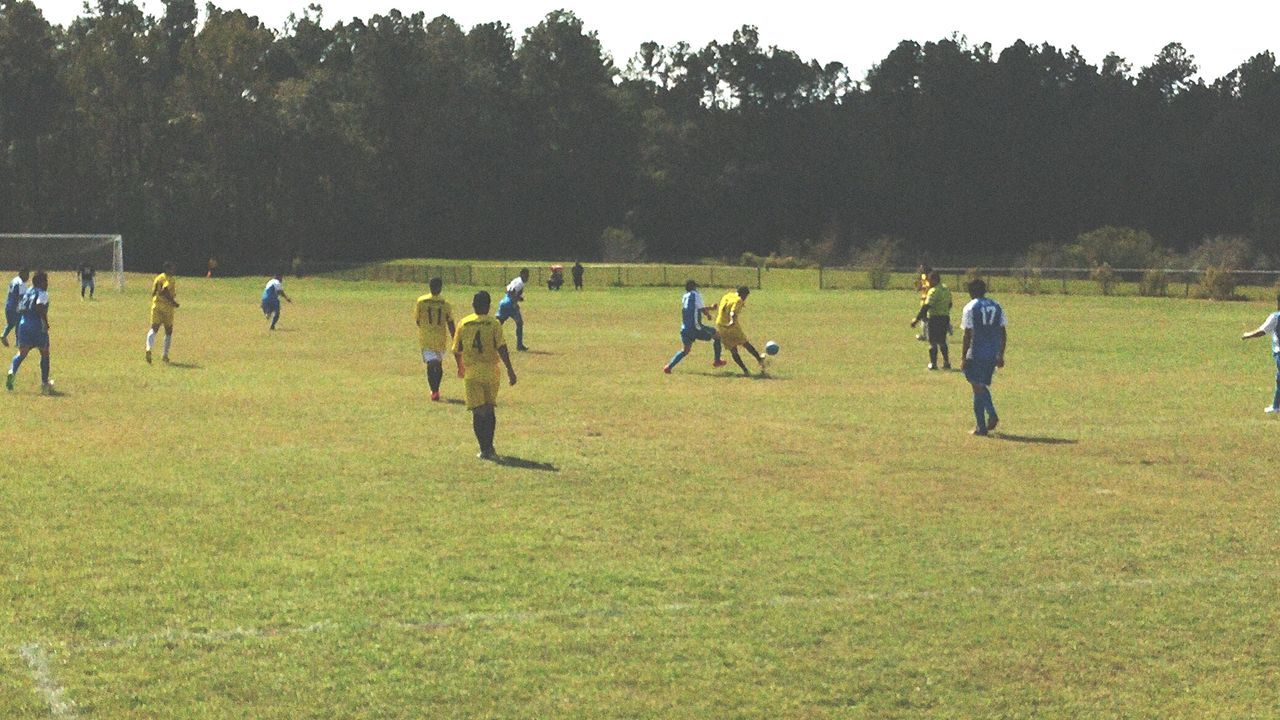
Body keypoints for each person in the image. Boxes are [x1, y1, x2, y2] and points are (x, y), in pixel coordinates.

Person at [452, 290, 517, 459]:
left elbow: (456, 349)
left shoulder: (464, 323)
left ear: (473, 305)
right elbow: (501, 347)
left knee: (477, 412)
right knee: (489, 410)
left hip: (472, 373)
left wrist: (460, 367)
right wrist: (510, 369)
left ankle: (483, 449)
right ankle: (490, 447)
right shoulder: (494, 324)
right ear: (488, 307)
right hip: (491, 372)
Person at [960, 278, 1007, 436]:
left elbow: (968, 334)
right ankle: (984, 423)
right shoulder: (997, 305)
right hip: (992, 352)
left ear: (971, 292)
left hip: (977, 352)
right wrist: (1000, 353)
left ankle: (988, 417)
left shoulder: (970, 307)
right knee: (979, 387)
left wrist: (963, 357)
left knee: (976, 385)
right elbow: (1002, 332)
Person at [6, 270, 52, 393]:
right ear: (40, 282)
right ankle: (44, 382)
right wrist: (45, 322)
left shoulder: (28, 292)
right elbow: (39, 306)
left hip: (23, 324)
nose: (47, 283)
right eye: (45, 281)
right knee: (45, 352)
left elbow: (20, 308)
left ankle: (11, 372)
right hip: (37, 325)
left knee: (21, 353)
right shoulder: (42, 293)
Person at [664, 279, 724, 373]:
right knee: (717, 335)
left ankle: (668, 367)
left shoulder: (685, 296)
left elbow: (694, 309)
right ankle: (717, 361)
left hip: (685, 328)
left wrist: (708, 313)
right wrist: (710, 310)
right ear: (694, 287)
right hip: (695, 328)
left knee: (685, 350)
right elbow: (701, 308)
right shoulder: (696, 295)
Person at [414, 277, 457, 402]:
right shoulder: (445, 303)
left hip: (427, 338)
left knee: (436, 364)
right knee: (432, 363)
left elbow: (417, 320)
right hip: (439, 338)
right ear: (440, 287)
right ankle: (434, 390)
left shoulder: (421, 301)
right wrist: (455, 337)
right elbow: (450, 322)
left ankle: (435, 389)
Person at [715, 286, 766, 377]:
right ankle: (760, 360)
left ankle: (745, 370)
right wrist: (732, 321)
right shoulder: (738, 300)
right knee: (745, 343)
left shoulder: (727, 295)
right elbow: (733, 312)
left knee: (733, 350)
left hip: (720, 325)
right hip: (731, 326)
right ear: (743, 295)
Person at [1241, 294, 1280, 413]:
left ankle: (1276, 406)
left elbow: (1262, 331)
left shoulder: (1275, 317)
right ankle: (1276, 406)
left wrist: (1248, 335)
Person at [910, 271, 952, 370]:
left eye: (930, 280)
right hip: (945, 317)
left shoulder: (933, 291)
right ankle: (946, 363)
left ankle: (933, 364)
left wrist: (917, 319)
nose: (929, 283)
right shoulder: (946, 289)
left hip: (934, 318)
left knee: (932, 342)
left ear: (935, 279)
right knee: (942, 341)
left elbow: (926, 306)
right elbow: (950, 304)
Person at [146, 262, 179, 364]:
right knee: (168, 330)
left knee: (154, 328)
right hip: (167, 308)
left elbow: (153, 293)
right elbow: (165, 290)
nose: (173, 271)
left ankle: (148, 348)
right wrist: (173, 302)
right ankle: (165, 355)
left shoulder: (158, 278)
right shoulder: (169, 279)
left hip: (156, 306)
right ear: (167, 269)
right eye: (172, 269)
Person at [496, 268, 530, 351]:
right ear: (522, 274)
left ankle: (489, 342)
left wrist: (518, 298)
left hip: (504, 302)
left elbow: (508, 289)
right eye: (526, 275)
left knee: (497, 324)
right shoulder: (520, 283)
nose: (527, 278)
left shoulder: (516, 280)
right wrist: (515, 303)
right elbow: (512, 291)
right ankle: (519, 345)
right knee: (519, 323)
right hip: (510, 304)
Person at [1, 269, 29, 348]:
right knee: (19, 324)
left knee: (11, 323)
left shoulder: (14, 280)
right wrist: (23, 307)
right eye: (26, 275)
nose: (27, 277)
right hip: (16, 307)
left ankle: (4, 335)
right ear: (22, 274)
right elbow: (21, 297)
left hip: (8, 306)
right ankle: (18, 342)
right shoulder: (21, 284)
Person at [914, 264, 933, 340]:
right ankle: (925, 334)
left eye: (921, 268)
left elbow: (928, 287)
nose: (920, 269)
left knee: (925, 318)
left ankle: (925, 335)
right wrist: (918, 286)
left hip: (929, 299)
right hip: (924, 299)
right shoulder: (923, 277)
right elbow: (920, 288)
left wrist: (922, 287)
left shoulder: (930, 277)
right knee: (925, 318)